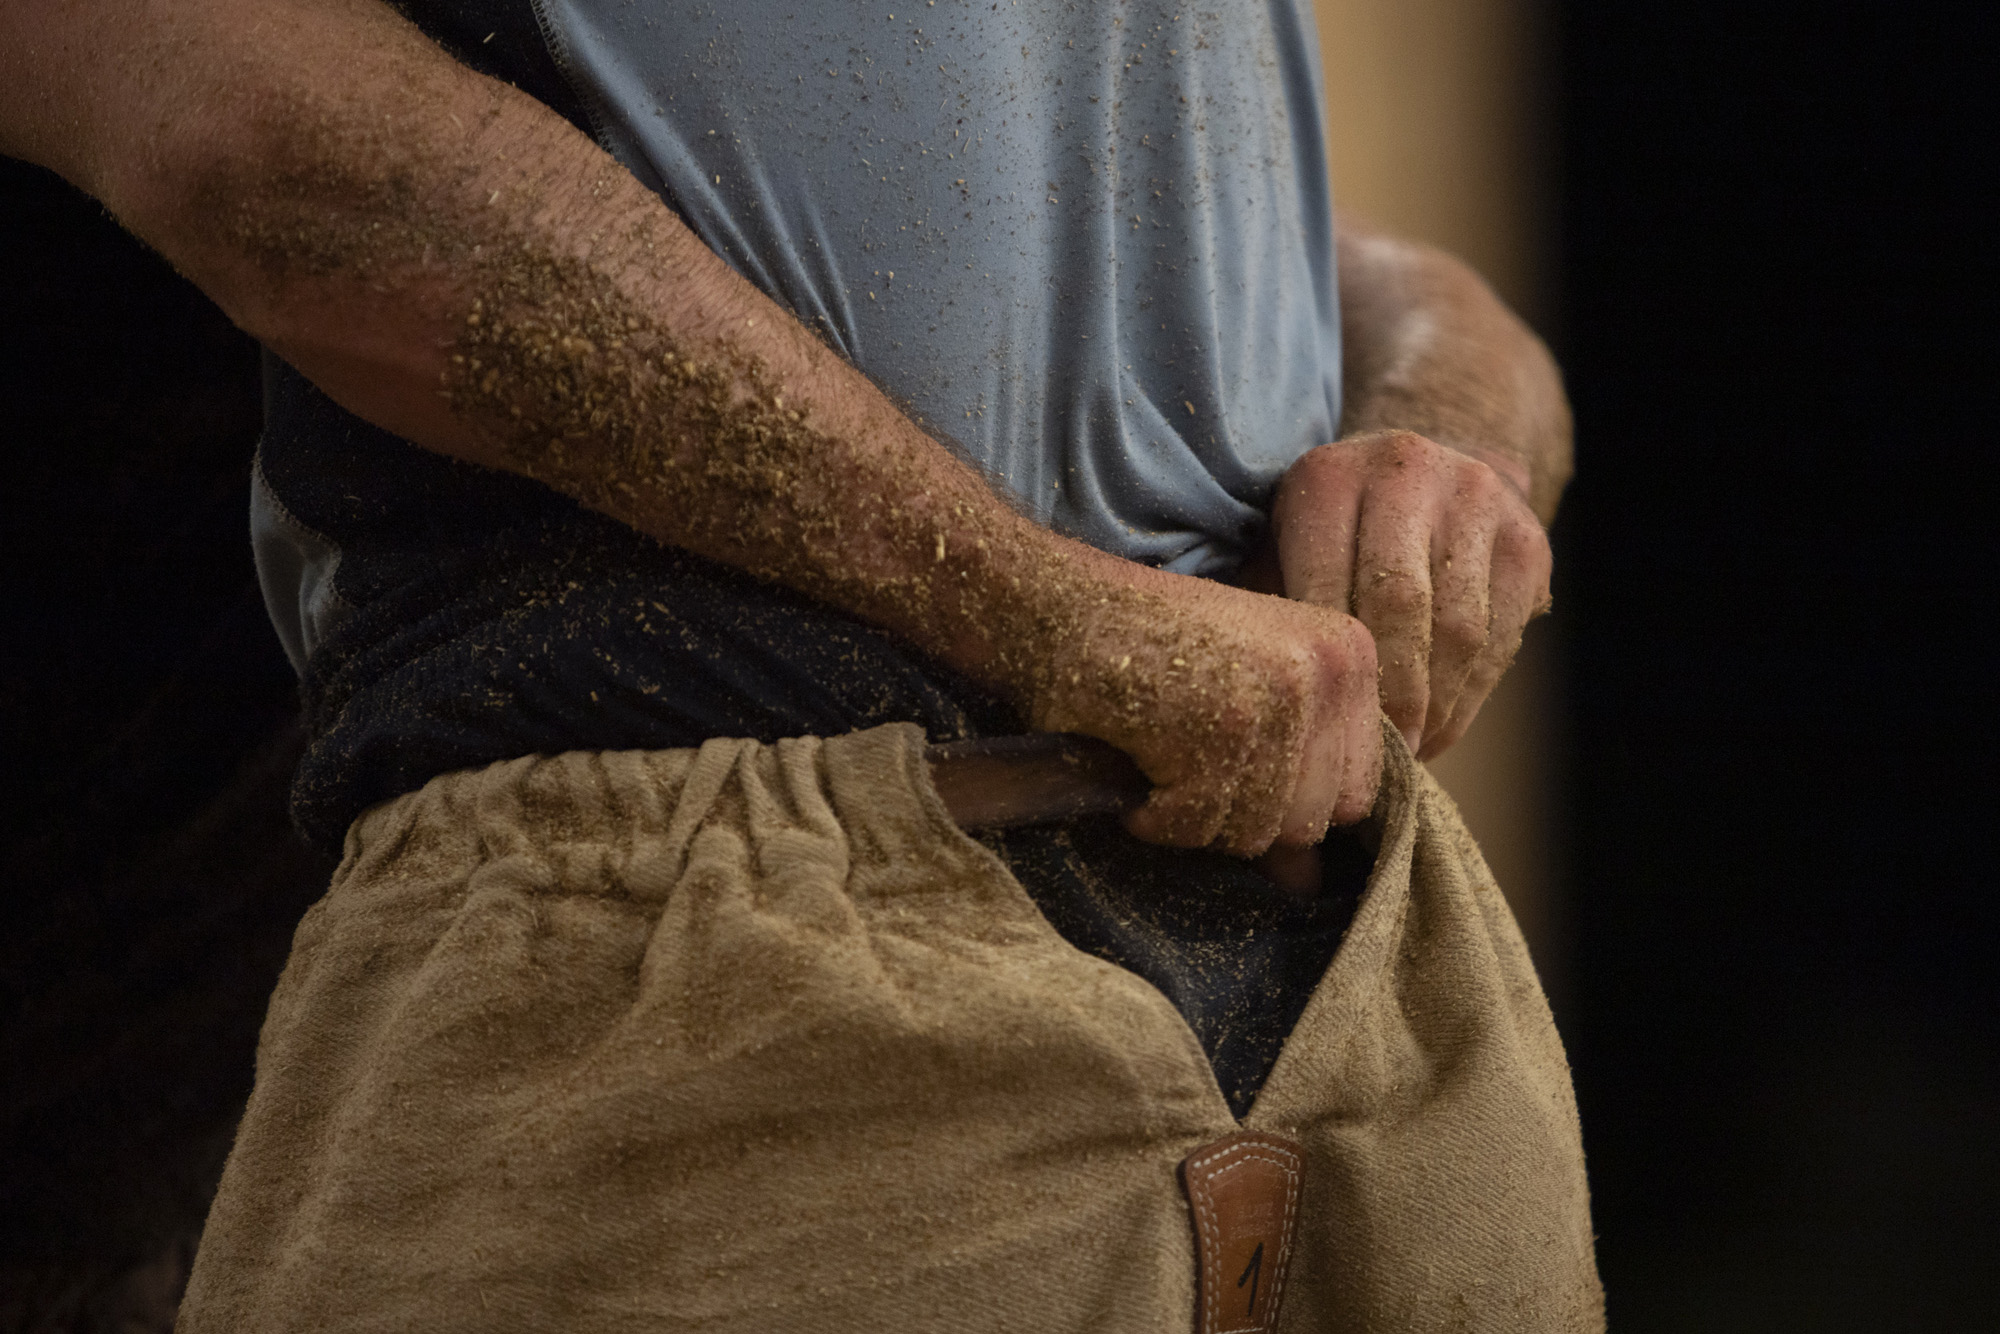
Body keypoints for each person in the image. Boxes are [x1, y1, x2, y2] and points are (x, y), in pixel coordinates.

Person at [1, 0, 1589, 1328]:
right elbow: (257, 145)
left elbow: (1331, 259)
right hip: (698, 965)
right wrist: (1044, 612)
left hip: (1375, 992)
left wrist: (1447, 441)